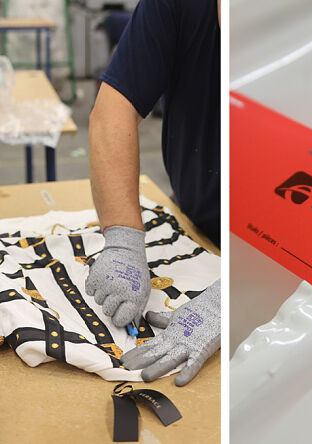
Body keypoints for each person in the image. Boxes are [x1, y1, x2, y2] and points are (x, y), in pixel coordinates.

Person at [85, 0, 221, 386]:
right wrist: (123, 239)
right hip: (195, 224)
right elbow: (114, 110)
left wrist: (234, 297)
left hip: (285, 256)